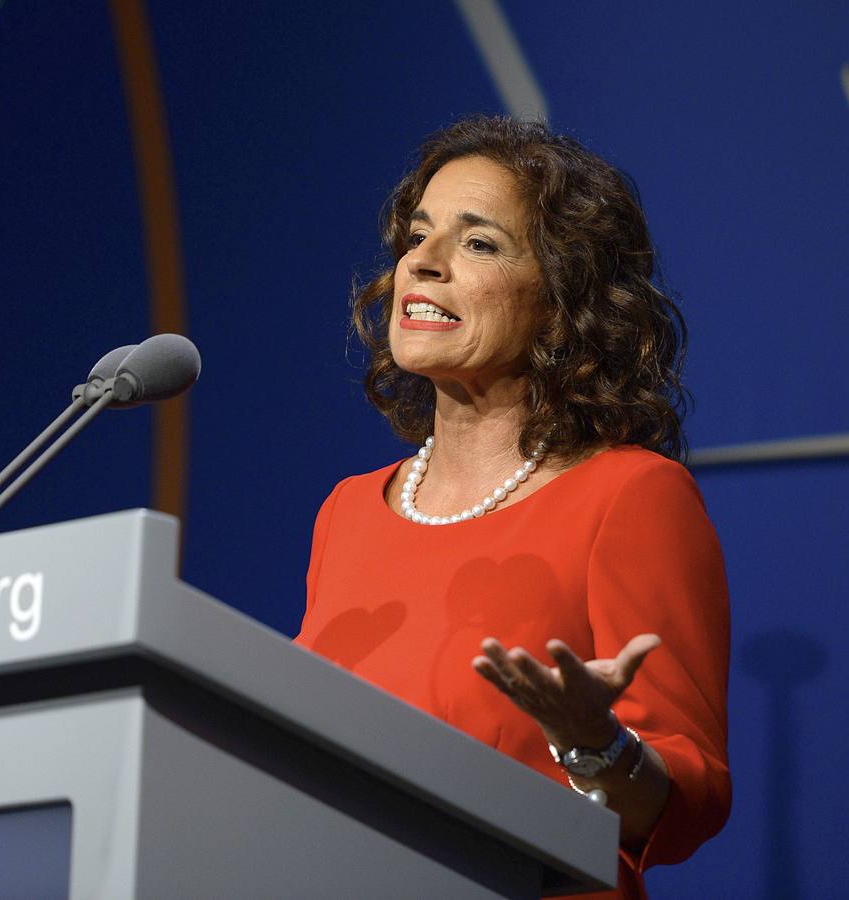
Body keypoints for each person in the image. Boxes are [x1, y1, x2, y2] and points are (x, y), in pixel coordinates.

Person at [294, 116, 730, 899]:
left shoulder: (630, 496)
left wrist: (595, 742)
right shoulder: (348, 511)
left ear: (561, 303)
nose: (421, 265)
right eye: (417, 235)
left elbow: (687, 803)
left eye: (478, 244)